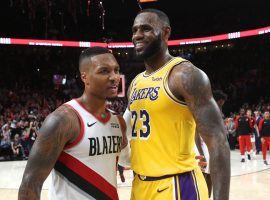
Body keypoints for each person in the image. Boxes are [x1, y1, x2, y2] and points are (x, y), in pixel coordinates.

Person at [125, 8, 230, 200]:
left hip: (177, 185)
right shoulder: (135, 83)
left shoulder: (185, 75)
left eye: (146, 29)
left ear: (165, 33)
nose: (138, 35)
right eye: (134, 30)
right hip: (140, 185)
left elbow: (218, 141)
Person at [19, 47, 127, 200]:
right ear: (85, 77)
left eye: (116, 70)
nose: (114, 77)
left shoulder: (118, 122)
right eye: (104, 71)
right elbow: (29, 186)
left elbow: (125, 161)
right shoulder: (62, 120)